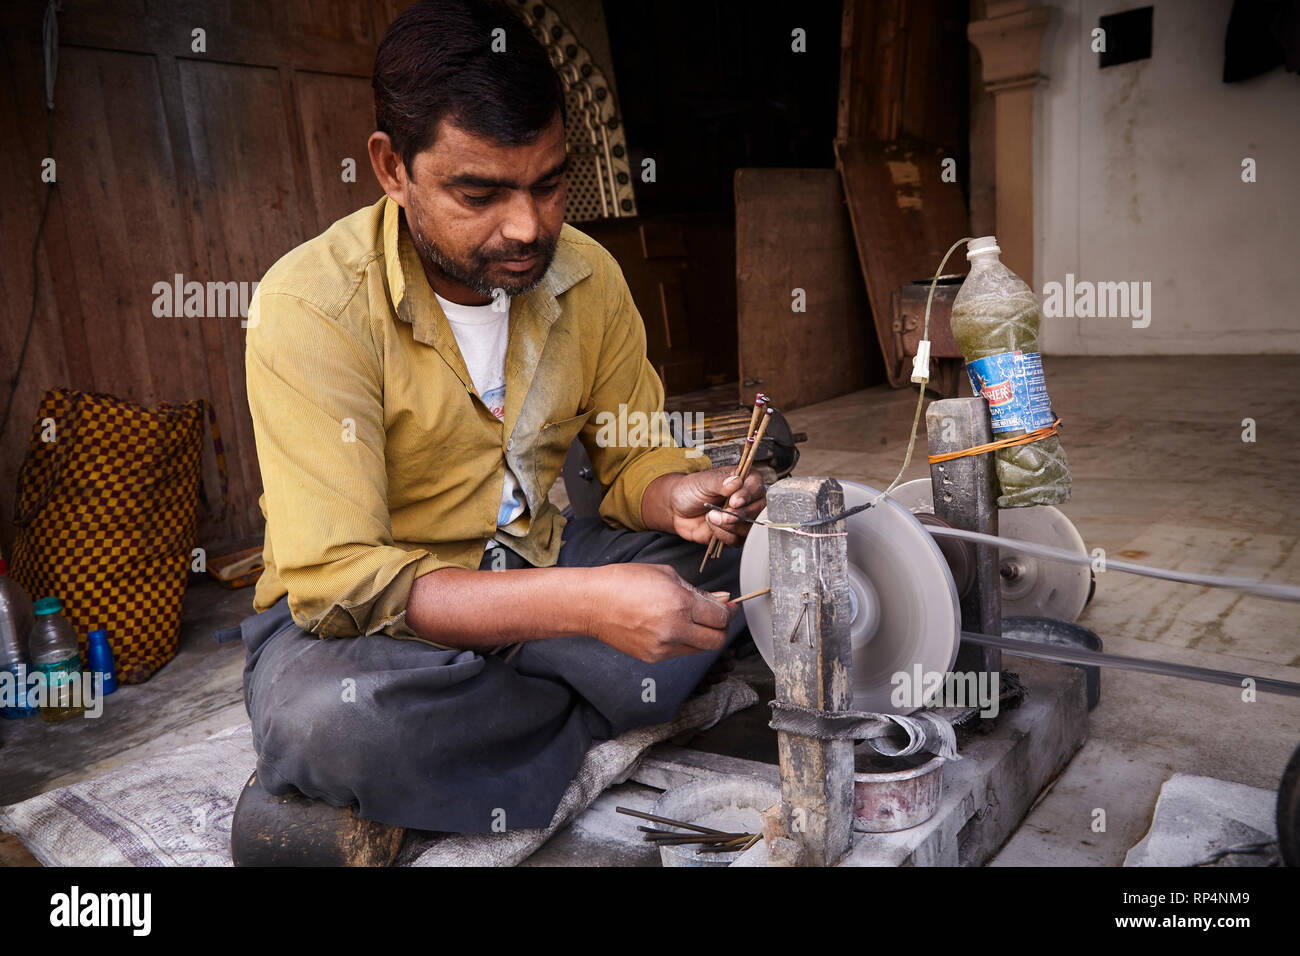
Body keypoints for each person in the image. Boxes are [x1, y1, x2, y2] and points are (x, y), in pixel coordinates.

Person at [227, 0, 766, 861]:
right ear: (391, 168)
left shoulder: (588, 276)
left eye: (548, 184)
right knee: (332, 724)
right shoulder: (309, 307)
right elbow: (340, 582)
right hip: (376, 630)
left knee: (761, 558)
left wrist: (678, 495)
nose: (526, 227)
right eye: (479, 193)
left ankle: (500, 730)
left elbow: (630, 460)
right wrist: (586, 610)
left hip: (540, 557)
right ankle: (613, 691)